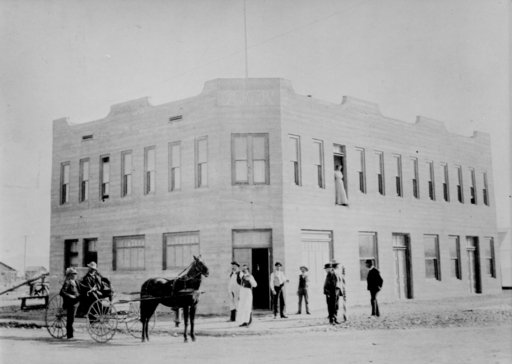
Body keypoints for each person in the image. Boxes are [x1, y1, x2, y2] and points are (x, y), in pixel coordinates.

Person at [60, 267, 80, 339]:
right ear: (70, 275)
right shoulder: (67, 282)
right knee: (70, 319)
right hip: (70, 303)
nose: (75, 275)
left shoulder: (76, 282)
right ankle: (69, 335)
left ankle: (71, 333)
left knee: (72, 319)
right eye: (73, 274)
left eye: (76, 274)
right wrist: (70, 296)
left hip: (76, 302)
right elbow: (62, 292)